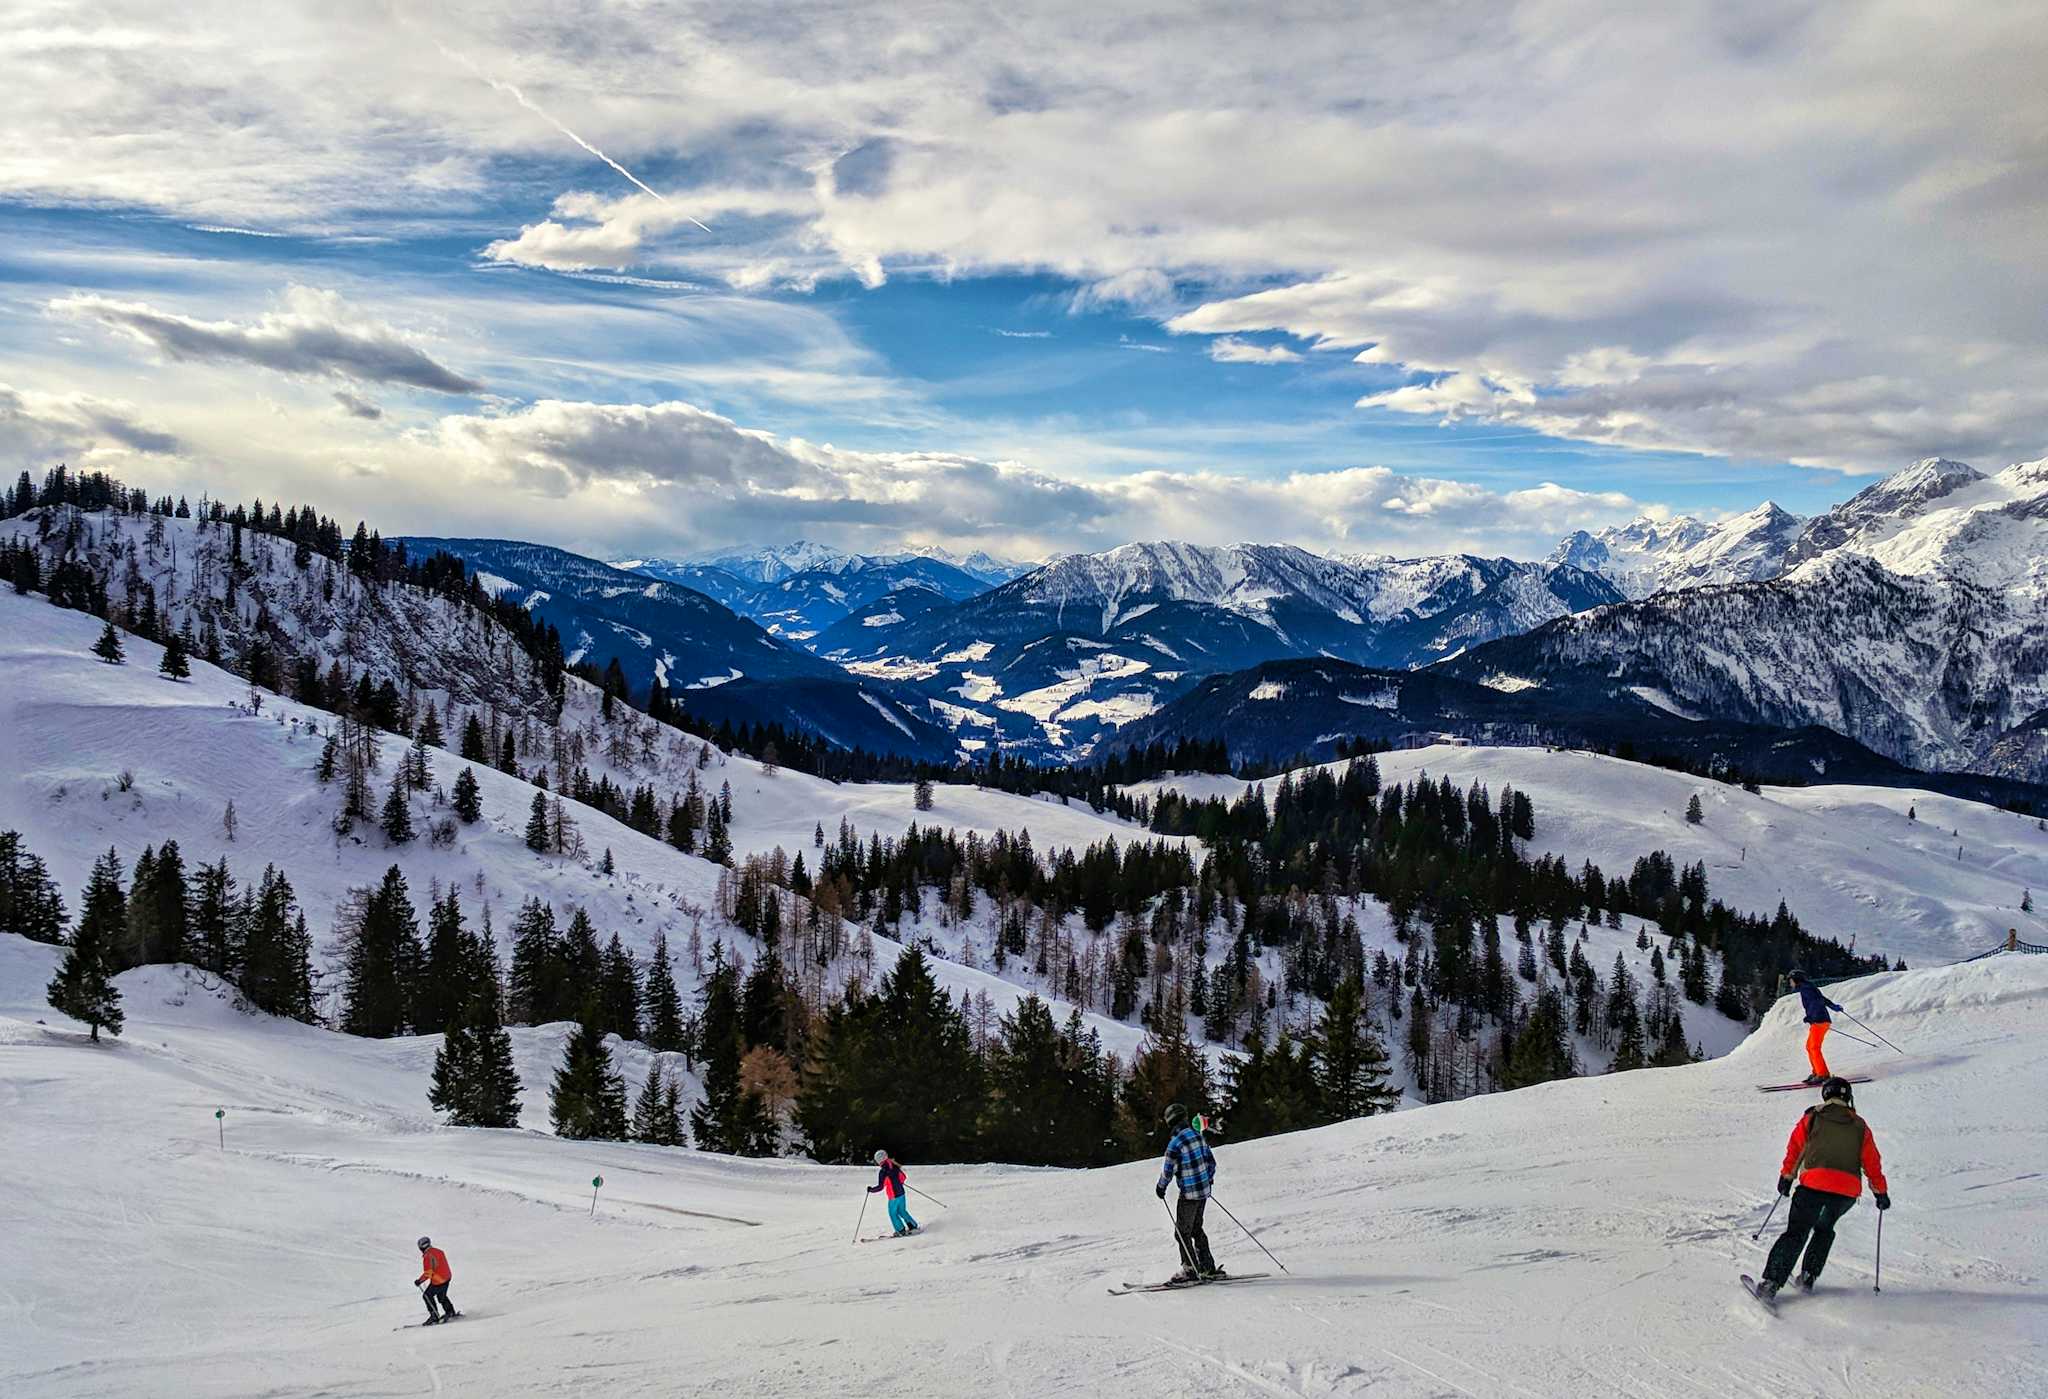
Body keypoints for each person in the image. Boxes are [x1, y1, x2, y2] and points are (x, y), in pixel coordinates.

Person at [1754, 1076, 1889, 1301]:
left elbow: (1796, 1148)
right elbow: (1872, 1162)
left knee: (1797, 1232)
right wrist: (1880, 1192)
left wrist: (1787, 1176)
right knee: (1824, 1228)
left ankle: (1771, 1283)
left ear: (1825, 1094)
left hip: (1814, 1185)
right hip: (1845, 1192)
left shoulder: (1813, 1116)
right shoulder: (1860, 1125)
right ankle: (1808, 1276)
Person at [1154, 1104, 1224, 1283]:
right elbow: (1211, 1162)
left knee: (1182, 1232)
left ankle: (1190, 1269)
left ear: (1170, 1122)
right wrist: (1208, 1179)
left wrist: (1161, 1187)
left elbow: (1168, 1171)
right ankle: (1208, 1267)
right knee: (1196, 1228)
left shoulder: (1175, 1143)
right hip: (1204, 1192)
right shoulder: (1198, 1137)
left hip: (1189, 1195)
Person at [1789, 969, 1844, 1085]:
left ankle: (1822, 1074)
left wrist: (1810, 1016)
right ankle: (1817, 1071)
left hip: (1819, 1020)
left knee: (1814, 1047)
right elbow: (1821, 999)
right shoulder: (1808, 987)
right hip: (1819, 1020)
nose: (1790, 983)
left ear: (1796, 980)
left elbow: (1816, 1002)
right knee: (1810, 1047)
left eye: (1791, 980)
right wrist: (1833, 1006)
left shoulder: (1806, 989)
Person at [868, 1150, 919, 1236]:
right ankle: (913, 1225)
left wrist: (871, 1190)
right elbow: (903, 1177)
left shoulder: (883, 1171)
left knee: (893, 1213)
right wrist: (899, 1182)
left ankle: (900, 1230)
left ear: (878, 1160)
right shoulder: (895, 1166)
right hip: (901, 1193)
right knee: (902, 1211)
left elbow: (880, 1187)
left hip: (893, 1196)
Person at [415, 1236, 459, 1324]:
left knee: (427, 1295)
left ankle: (434, 1316)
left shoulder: (428, 1256)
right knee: (441, 1297)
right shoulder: (438, 1251)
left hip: (438, 1280)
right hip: (447, 1278)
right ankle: (450, 1311)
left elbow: (429, 1272)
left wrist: (419, 1281)